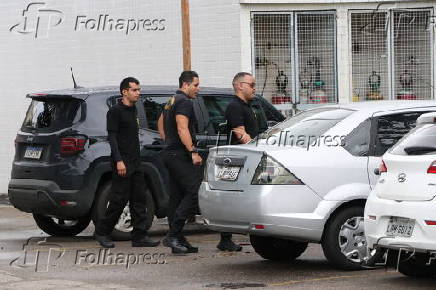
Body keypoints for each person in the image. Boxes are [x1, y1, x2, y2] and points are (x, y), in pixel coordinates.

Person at [94, 77, 160, 249]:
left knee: (139, 200)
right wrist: (119, 161)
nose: (138, 93)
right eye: (134, 90)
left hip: (136, 162)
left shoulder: (133, 110)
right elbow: (113, 138)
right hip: (122, 163)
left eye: (138, 89)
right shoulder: (115, 111)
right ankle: (102, 232)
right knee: (118, 200)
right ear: (124, 91)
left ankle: (139, 236)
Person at [157, 71, 202, 254]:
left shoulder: (171, 100)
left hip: (170, 152)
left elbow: (160, 121)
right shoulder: (184, 101)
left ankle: (178, 239)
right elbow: (182, 127)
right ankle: (173, 234)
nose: (198, 89)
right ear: (186, 84)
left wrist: (166, 141)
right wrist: (192, 151)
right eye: (196, 85)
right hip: (179, 155)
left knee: (176, 196)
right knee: (194, 190)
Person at [217, 72, 260, 252]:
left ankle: (227, 238)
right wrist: (255, 147)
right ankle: (225, 239)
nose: (254, 88)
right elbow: (240, 133)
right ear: (240, 86)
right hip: (237, 159)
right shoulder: (235, 106)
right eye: (251, 84)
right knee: (230, 198)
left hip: (245, 157)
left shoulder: (247, 105)